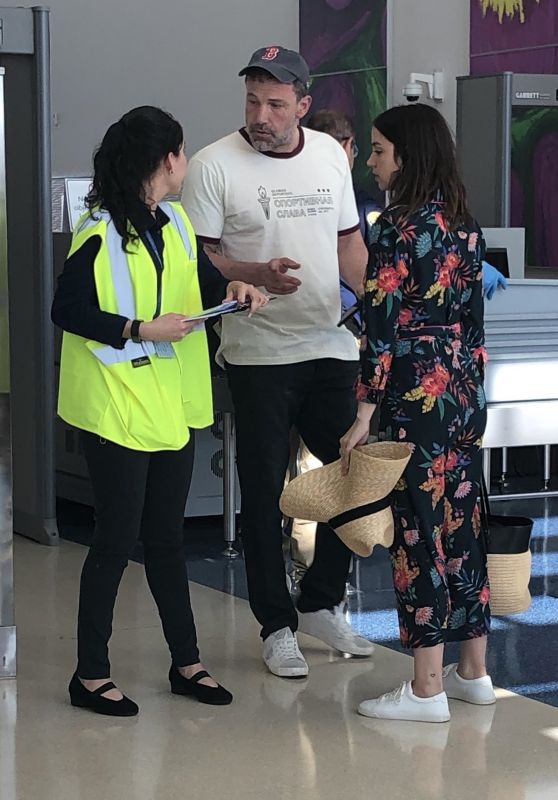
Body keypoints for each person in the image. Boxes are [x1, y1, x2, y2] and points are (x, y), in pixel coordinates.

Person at [52, 106, 268, 716]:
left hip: (168, 407)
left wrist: (233, 290)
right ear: (166, 160)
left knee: (167, 541)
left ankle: (187, 662)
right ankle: (89, 675)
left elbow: (197, 282)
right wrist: (140, 327)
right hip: (117, 407)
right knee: (115, 541)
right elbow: (66, 309)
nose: (187, 161)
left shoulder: (171, 222)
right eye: (182, 151)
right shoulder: (97, 230)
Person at [182, 46, 373, 679]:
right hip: (258, 352)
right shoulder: (212, 165)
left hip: (330, 346)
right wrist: (252, 271)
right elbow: (199, 258)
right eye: (252, 102)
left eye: (275, 104)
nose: (261, 115)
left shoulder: (327, 154)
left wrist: (377, 310)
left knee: (355, 479)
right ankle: (275, 624)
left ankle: (318, 601)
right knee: (264, 494)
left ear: (303, 106)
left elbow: (349, 240)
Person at [340, 104, 495, 722]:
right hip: (463, 395)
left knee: (418, 532)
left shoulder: (396, 228)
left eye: (379, 151)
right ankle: (474, 672)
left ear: (407, 155)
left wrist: (361, 416)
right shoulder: (465, 225)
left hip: (413, 401)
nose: (372, 162)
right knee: (464, 525)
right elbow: (478, 326)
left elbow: (380, 334)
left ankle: (427, 688)